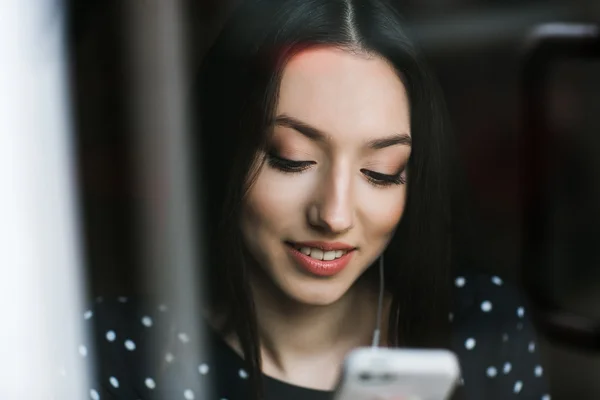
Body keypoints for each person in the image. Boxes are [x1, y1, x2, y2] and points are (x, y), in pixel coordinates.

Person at [61, 0, 551, 399]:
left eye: (381, 174)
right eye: (290, 159)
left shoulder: (480, 326)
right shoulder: (121, 351)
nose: (334, 215)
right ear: (223, 151)